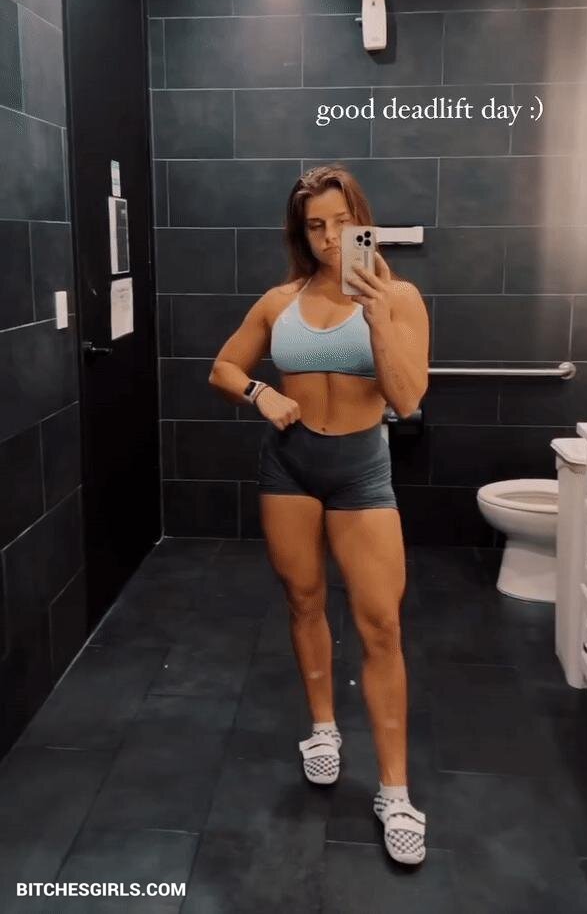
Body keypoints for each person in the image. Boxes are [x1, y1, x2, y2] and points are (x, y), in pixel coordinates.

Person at [208, 165, 430, 865]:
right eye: (315, 226)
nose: (330, 238)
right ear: (300, 233)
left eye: (341, 222)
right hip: (290, 468)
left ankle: (395, 791)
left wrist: (377, 317)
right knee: (304, 600)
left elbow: (407, 399)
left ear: (362, 221)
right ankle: (324, 728)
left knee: (381, 624)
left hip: (362, 469)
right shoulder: (280, 301)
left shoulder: (400, 297)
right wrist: (260, 393)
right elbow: (222, 367)